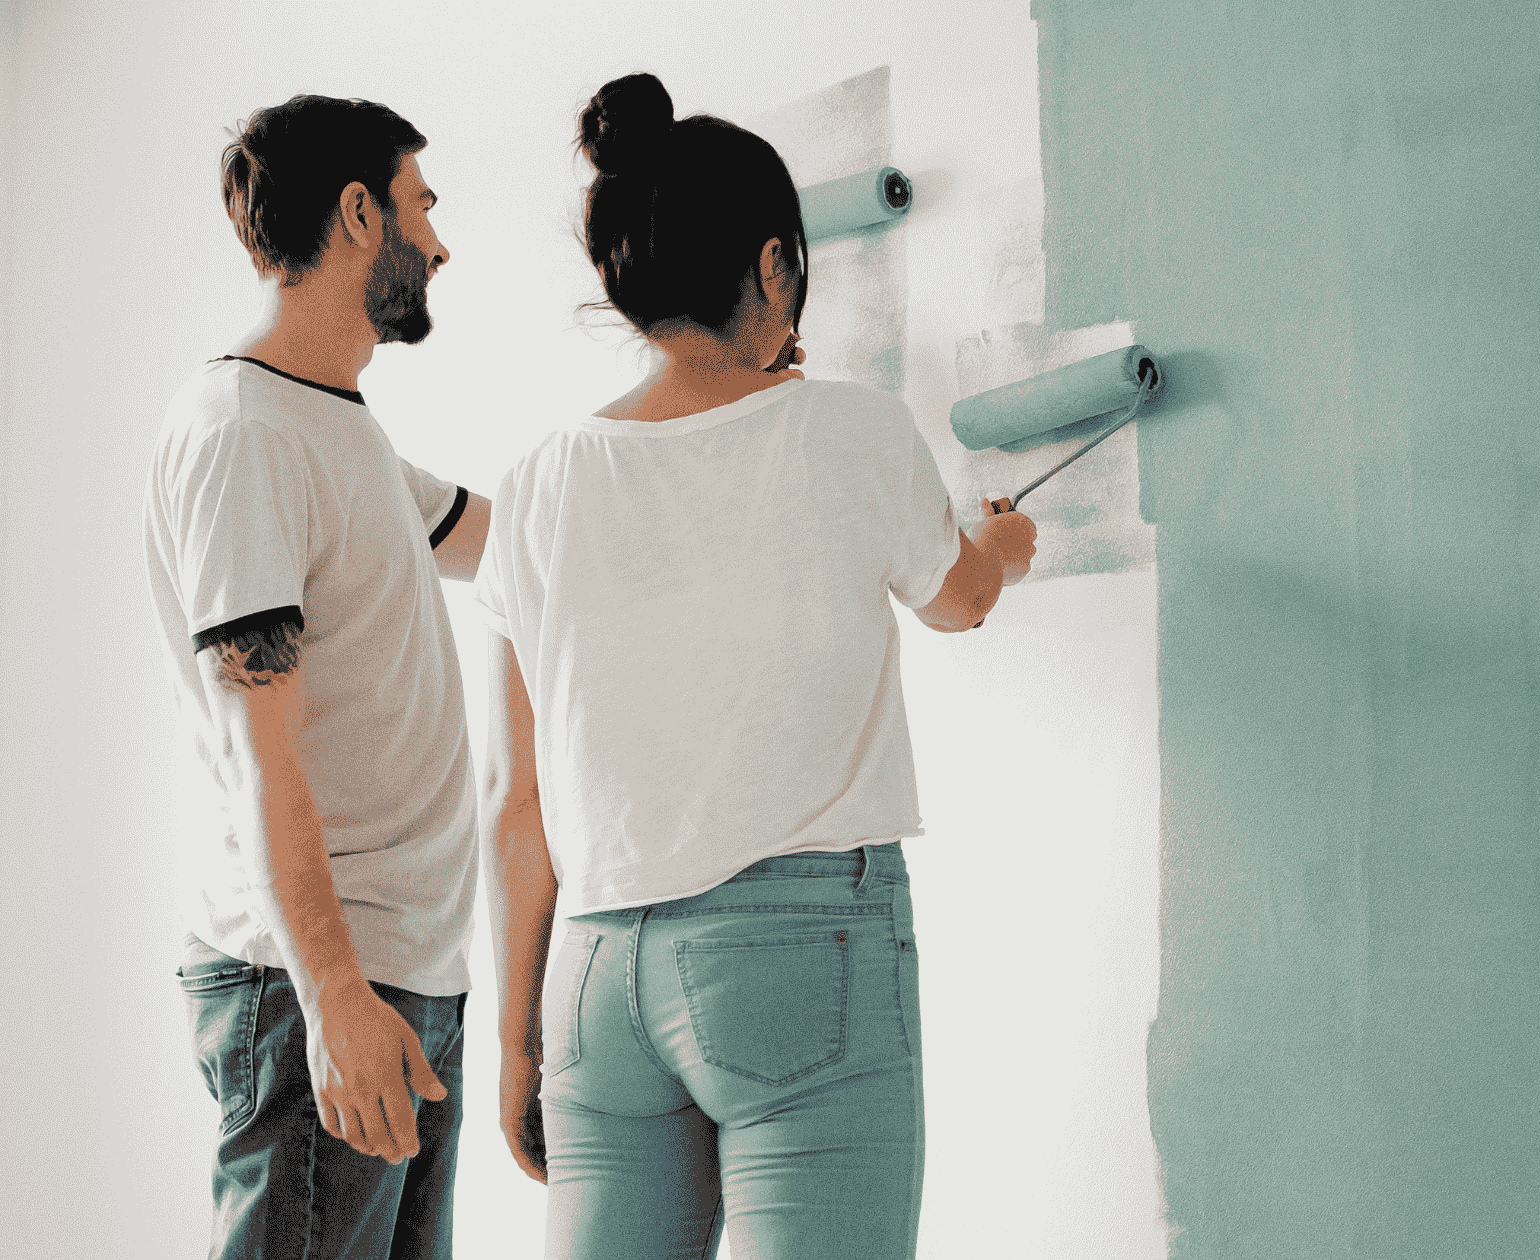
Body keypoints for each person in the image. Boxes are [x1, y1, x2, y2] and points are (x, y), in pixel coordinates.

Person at [473, 72, 1037, 1259]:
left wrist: (519, 1041)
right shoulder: (850, 429)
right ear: (776, 264)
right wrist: (999, 541)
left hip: (594, 980)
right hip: (797, 963)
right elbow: (959, 603)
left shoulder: (534, 487)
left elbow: (513, 802)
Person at [143, 94, 491, 1260]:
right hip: (318, 988)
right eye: (422, 207)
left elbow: (512, 540)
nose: (437, 244)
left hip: (404, 974)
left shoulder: (340, 433)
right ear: (358, 214)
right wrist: (338, 997)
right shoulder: (247, 433)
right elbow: (262, 751)